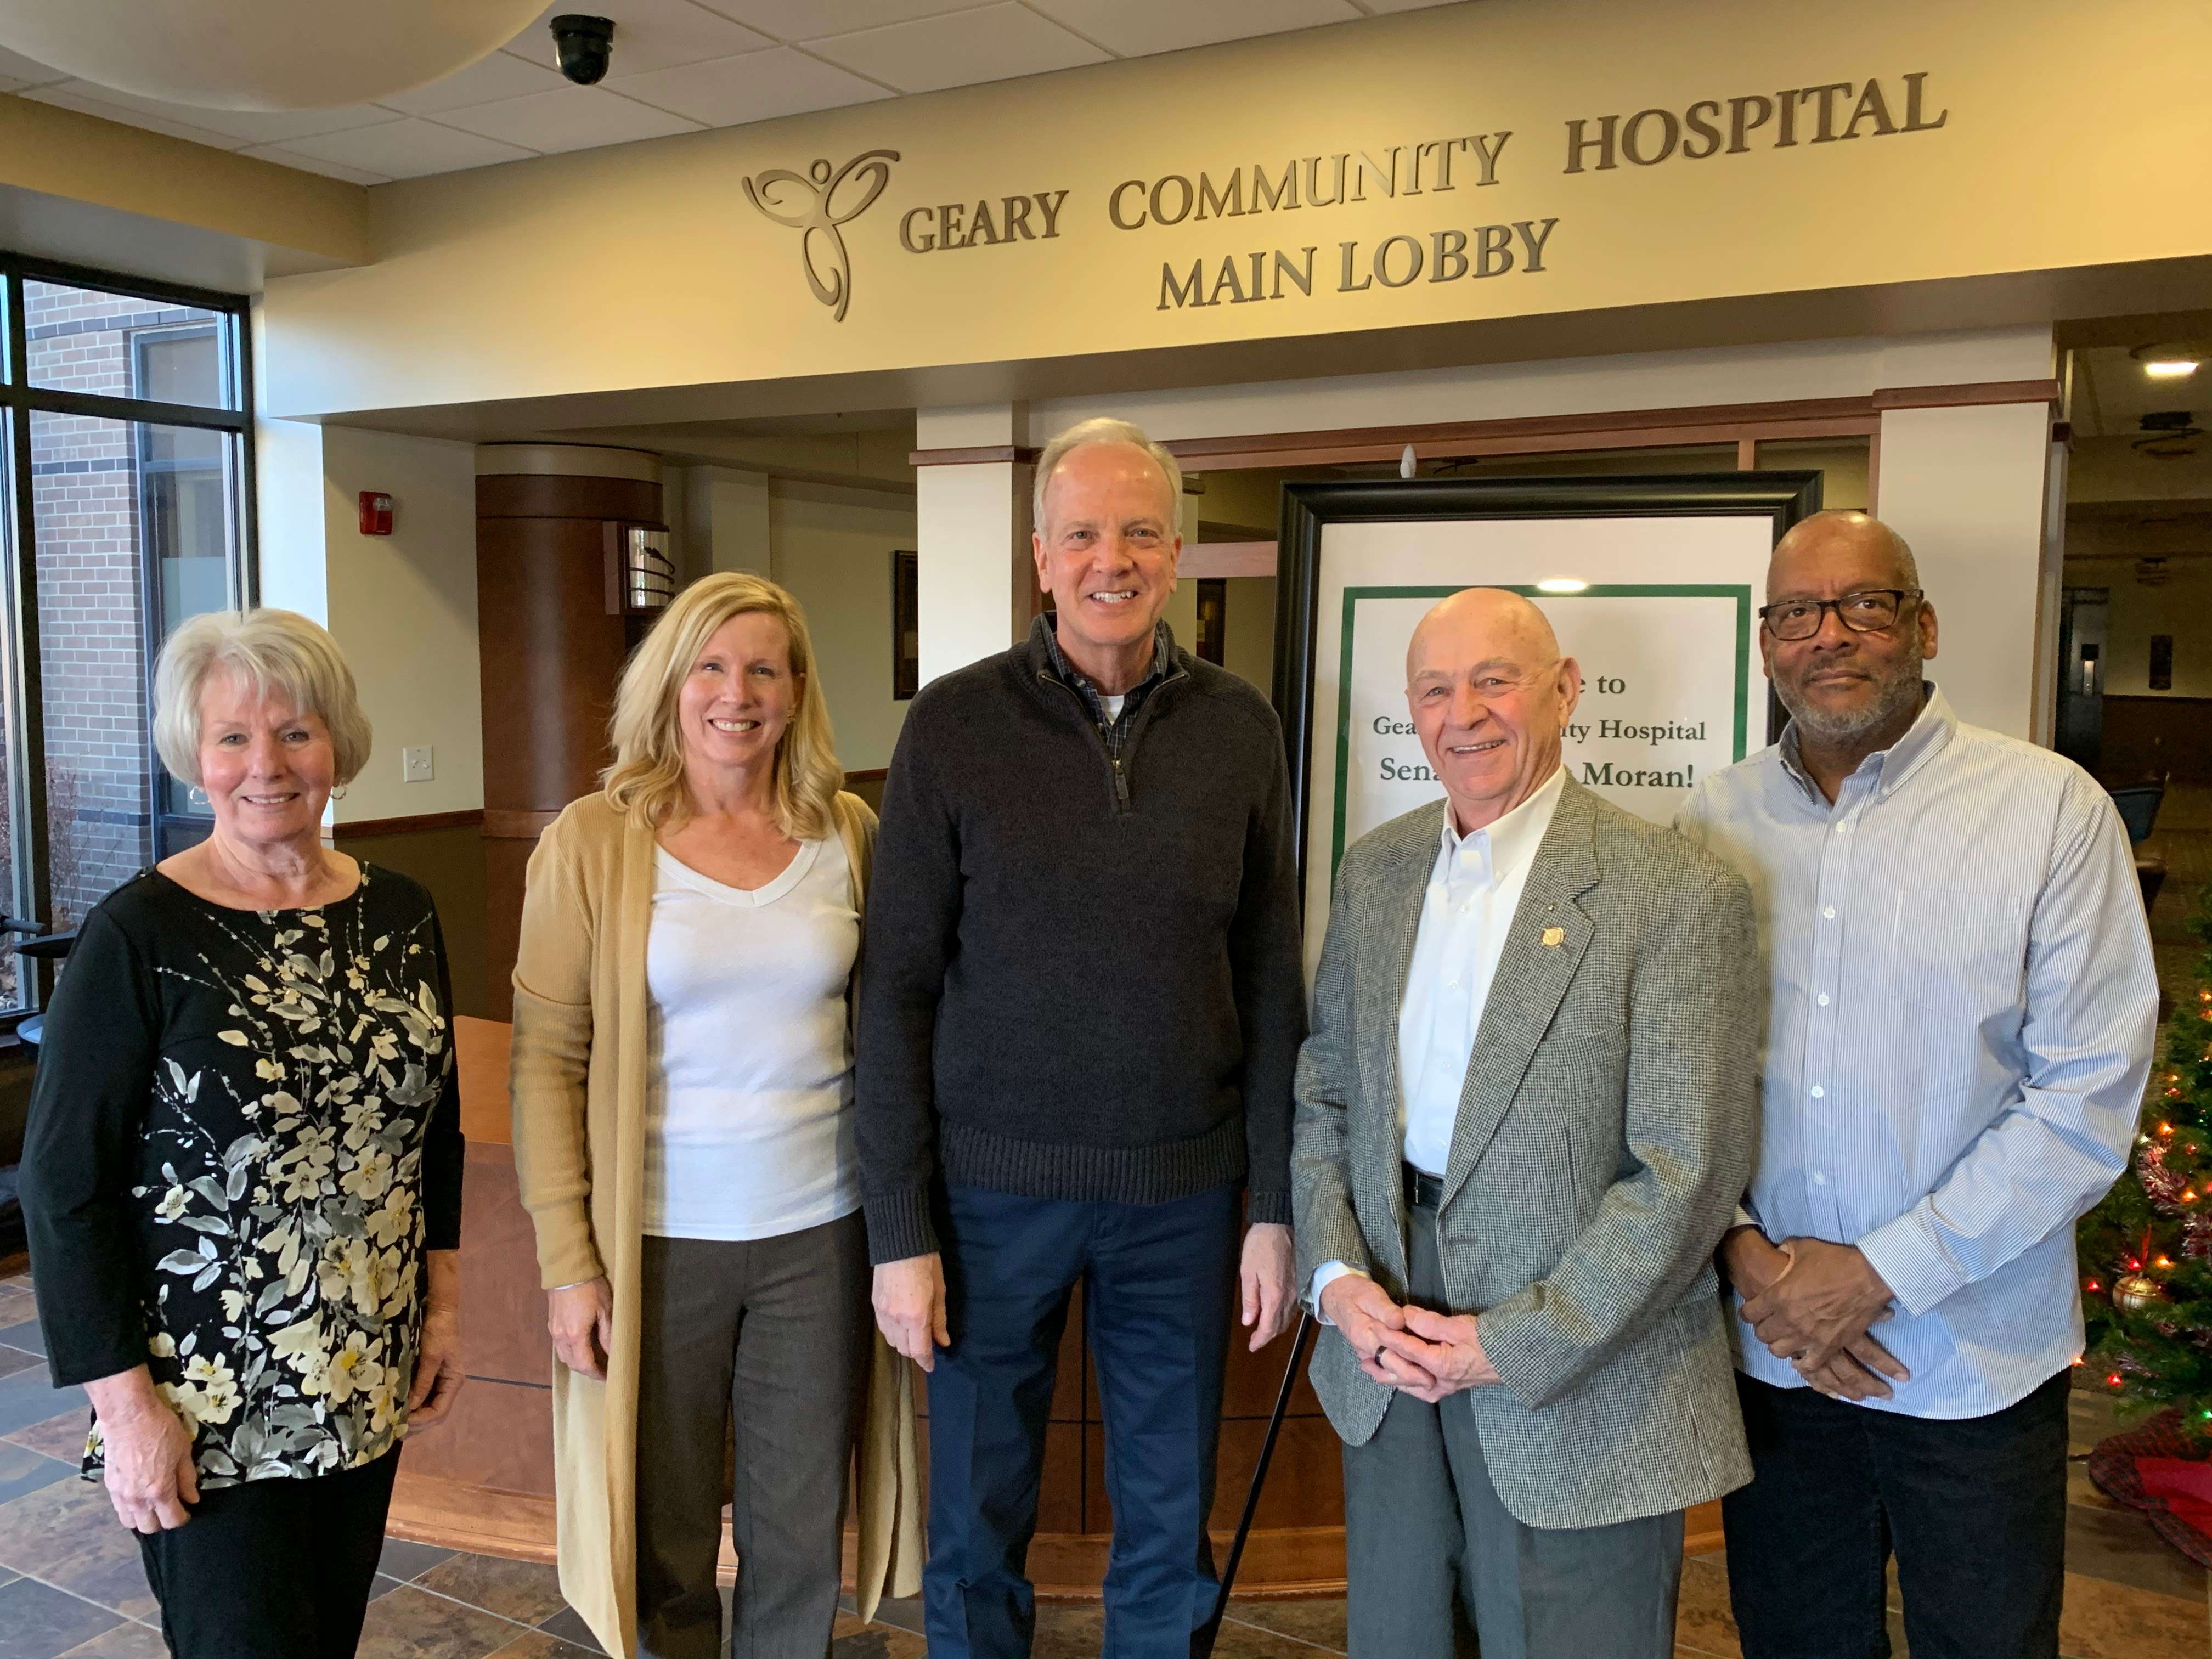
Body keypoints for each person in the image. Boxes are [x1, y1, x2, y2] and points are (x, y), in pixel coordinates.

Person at [858, 416, 1306, 1658]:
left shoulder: (1241, 729)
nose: (1114, 558)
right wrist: (900, 1231)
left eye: (1142, 532)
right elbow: (892, 989)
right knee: (974, 1529)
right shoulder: (952, 728)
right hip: (988, 1204)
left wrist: (1272, 1203)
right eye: (1085, 534)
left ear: (1179, 554)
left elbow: (1272, 979)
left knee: (1172, 1527)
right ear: (1042, 558)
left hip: (1183, 1197)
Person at [1675, 510, 2158, 1659]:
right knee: (1794, 1640)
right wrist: (1752, 1261)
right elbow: (1681, 1078)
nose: (1828, 635)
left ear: (1922, 625)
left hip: (1973, 1360)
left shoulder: (2049, 812)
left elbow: (2085, 1099)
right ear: (1766, 644)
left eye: (1865, 605)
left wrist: (1883, 1272)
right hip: (1776, 1353)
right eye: (1796, 614)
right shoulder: (1711, 821)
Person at [1293, 587, 1758, 1658]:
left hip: (1582, 1380)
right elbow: (1326, 1091)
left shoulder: (1676, 893)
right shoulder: (1378, 873)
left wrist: (1515, 1343)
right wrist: (1336, 1277)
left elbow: (1687, 1174)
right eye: (1436, 689)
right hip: (1387, 1349)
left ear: (1565, 691)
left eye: (1496, 680)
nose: (1467, 713)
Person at [19, 607, 465, 1659]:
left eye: (295, 732)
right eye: (234, 737)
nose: (266, 763)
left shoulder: (398, 910)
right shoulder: (141, 933)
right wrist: (126, 1413)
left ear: (336, 748)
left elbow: (430, 1128)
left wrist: (440, 1314)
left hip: (364, 1360)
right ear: (196, 757)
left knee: (328, 1637)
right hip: (206, 1395)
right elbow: (60, 1186)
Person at [509, 571, 921, 1659]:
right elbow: (546, 1063)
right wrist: (567, 1263)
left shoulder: (852, 835)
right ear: (672, 682)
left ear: (796, 692)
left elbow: (890, 1039)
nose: (736, 693)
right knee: (667, 1533)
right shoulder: (596, 840)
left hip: (820, 1237)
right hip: (655, 1245)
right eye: (711, 665)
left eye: (764, 669)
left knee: (796, 1533)